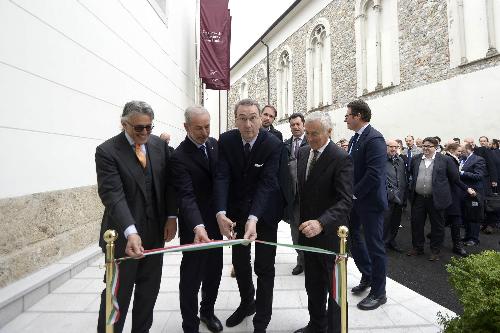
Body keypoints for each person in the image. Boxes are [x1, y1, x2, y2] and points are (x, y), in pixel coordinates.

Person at [96, 101, 177, 333]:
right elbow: (113, 195)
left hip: (155, 234)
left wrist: (171, 217)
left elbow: (169, 184)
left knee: (148, 292)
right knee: (117, 294)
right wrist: (131, 232)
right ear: (124, 124)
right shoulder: (107, 151)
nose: (144, 133)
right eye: (138, 128)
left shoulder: (159, 146)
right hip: (122, 238)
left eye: (149, 127)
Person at [214, 99, 284, 333]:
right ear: (235, 120)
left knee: (264, 267)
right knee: (240, 264)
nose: (248, 124)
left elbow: (268, 183)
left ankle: (261, 320)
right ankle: (247, 303)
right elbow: (222, 176)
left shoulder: (273, 144)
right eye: (242, 118)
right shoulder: (226, 140)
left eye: (253, 117)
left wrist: (254, 218)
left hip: (265, 214)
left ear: (260, 118)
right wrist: (221, 212)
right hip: (236, 214)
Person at [293, 111, 353, 333]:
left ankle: (336, 329)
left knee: (335, 289)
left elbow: (345, 201)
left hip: (331, 236)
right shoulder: (302, 152)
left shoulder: (341, 158)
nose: (310, 138)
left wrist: (321, 222)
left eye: (315, 134)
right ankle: (316, 325)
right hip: (308, 235)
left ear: (329, 131)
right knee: (313, 286)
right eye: (307, 133)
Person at [170, 106, 223, 333]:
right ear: (186, 127)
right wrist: (198, 226)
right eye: (198, 128)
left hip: (216, 223)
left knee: (214, 271)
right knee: (191, 277)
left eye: (207, 126)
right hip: (194, 226)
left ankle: (207, 312)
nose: (204, 132)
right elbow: (186, 196)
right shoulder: (179, 157)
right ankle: (189, 323)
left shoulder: (213, 145)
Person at [345, 99, 388, 310]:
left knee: (375, 246)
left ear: (359, 116)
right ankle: (368, 275)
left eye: (348, 115)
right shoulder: (355, 138)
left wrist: (354, 192)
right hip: (356, 201)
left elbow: (374, 173)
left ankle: (379, 293)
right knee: (353, 238)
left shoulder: (375, 138)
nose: (346, 118)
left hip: (370, 202)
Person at [407, 137, 457, 261]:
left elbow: (454, 178)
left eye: (429, 146)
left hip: (436, 199)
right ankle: (418, 247)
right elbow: (412, 174)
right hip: (419, 198)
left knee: (437, 226)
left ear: (436, 147)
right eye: (424, 146)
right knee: (416, 223)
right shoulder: (416, 159)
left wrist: (443, 192)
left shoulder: (445, 160)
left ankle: (435, 251)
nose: (426, 148)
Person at [284, 112, 308, 275]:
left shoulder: (311, 141)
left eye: (298, 124)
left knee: (310, 230)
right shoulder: (285, 145)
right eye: (292, 125)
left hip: (309, 196)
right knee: (295, 231)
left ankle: (311, 261)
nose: (295, 127)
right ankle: (301, 261)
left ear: (303, 125)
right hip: (293, 198)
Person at [444, 143, 475, 257]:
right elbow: (455, 178)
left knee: (449, 218)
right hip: (451, 193)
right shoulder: (449, 159)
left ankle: (434, 234)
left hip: (452, 193)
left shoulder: (450, 159)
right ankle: (457, 246)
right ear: (451, 150)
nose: (461, 153)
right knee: (456, 220)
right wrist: (467, 189)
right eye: (459, 151)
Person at [459, 143, 486, 246]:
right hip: (464, 191)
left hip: (474, 192)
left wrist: (461, 173)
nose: (461, 152)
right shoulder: (463, 159)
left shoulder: (478, 159)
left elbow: (479, 176)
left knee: (474, 216)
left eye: (462, 150)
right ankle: (467, 236)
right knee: (466, 214)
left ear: (468, 149)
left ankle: (474, 238)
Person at [383, 140, 407, 252]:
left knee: (395, 222)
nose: (393, 149)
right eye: (390, 146)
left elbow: (403, 178)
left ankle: (391, 241)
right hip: (387, 197)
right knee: (384, 222)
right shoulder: (380, 160)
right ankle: (381, 244)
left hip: (399, 197)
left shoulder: (400, 160)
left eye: (396, 147)